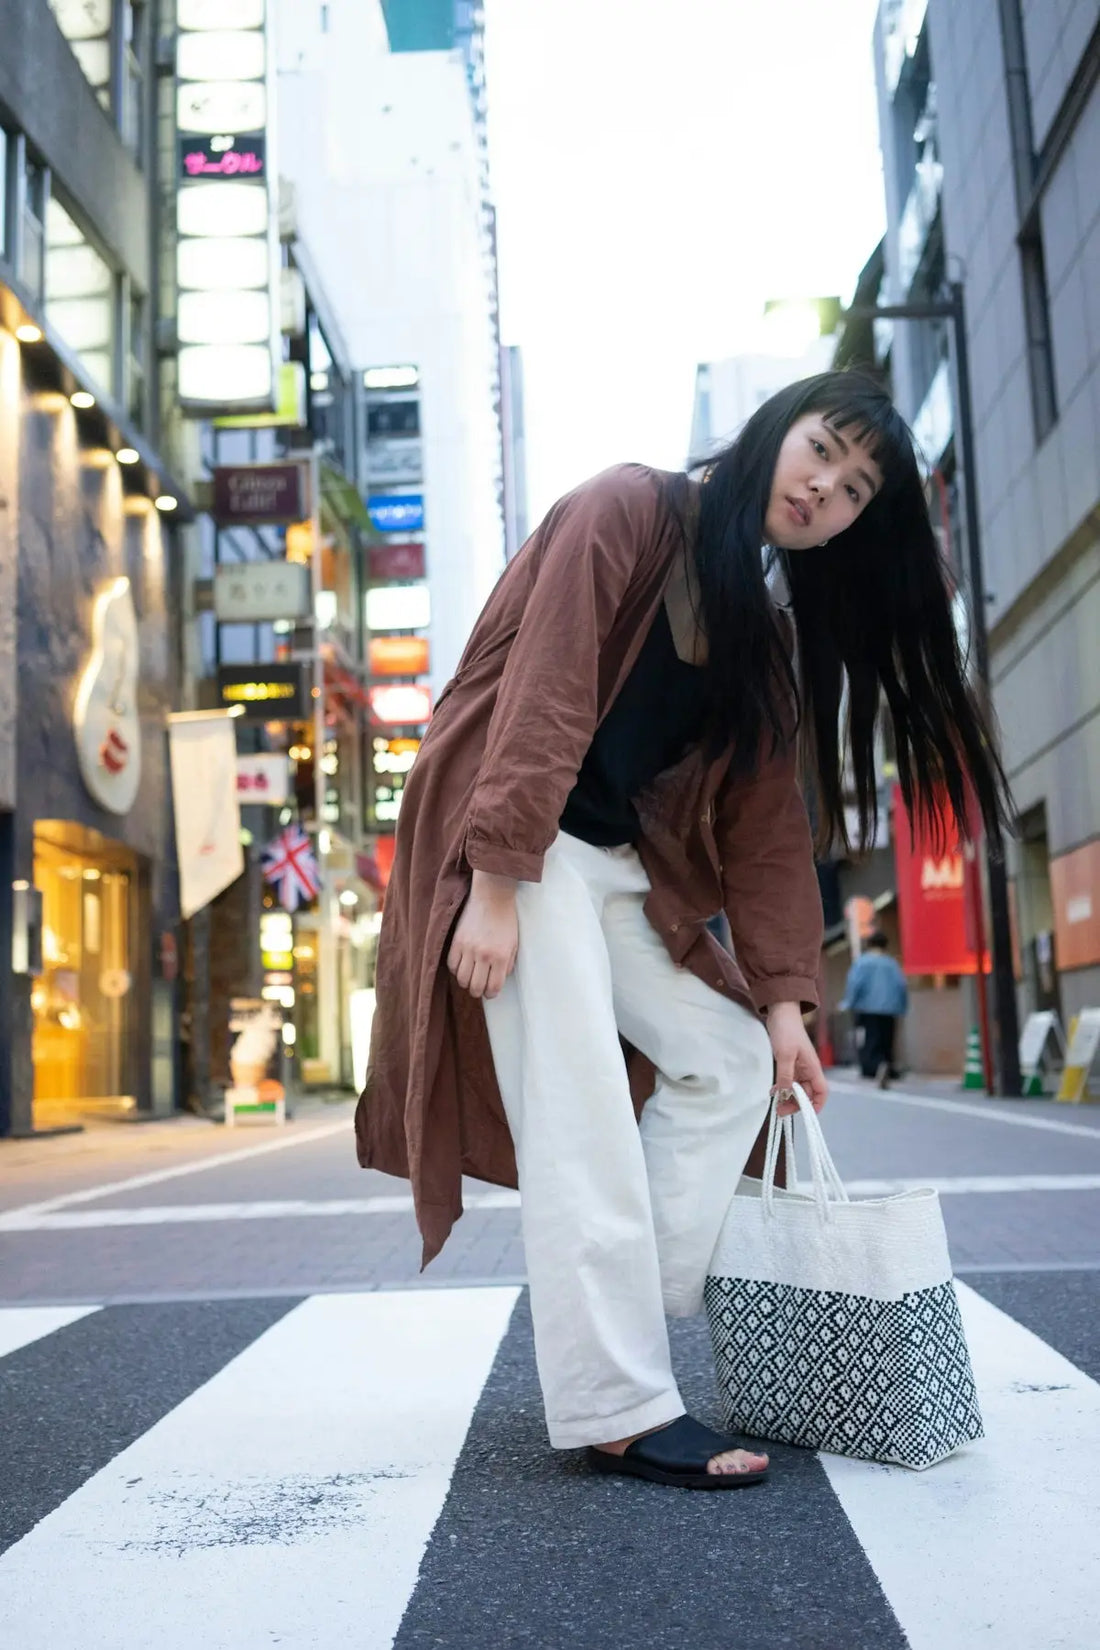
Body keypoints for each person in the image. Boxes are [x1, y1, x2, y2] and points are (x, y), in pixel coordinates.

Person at [356, 369, 1011, 1491]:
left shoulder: (761, 630)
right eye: (821, 451)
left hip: (614, 868)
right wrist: (494, 885)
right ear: (772, 431)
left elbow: (765, 827)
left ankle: (615, 1323)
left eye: (855, 490)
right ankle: (617, 1406)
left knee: (730, 1062)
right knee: (579, 1110)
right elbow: (545, 691)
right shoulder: (627, 508)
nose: (825, 490)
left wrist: (785, 1006)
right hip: (519, 840)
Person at [845, 930, 909, 1087]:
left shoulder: (862, 963)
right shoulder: (892, 964)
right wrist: (902, 1006)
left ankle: (873, 1068)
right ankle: (887, 1065)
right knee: (887, 1040)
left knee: (870, 1040)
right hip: (890, 1009)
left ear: (869, 944)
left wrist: (849, 1003)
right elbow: (901, 986)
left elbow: (855, 984)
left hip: (867, 1008)